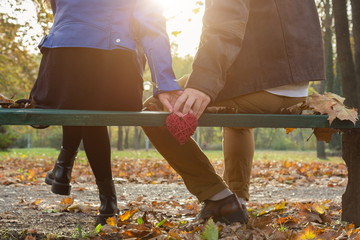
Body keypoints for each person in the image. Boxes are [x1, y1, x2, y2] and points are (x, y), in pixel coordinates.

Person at [142, 0, 325, 221]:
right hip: (296, 88)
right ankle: (237, 202)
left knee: (153, 109)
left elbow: (225, 25)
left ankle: (217, 196)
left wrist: (202, 85)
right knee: (236, 121)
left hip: (257, 83)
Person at [30, 0, 184, 225]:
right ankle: (106, 199)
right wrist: (165, 83)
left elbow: (62, 16)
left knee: (78, 94)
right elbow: (153, 29)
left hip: (59, 66)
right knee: (90, 98)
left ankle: (64, 167)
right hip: (114, 69)